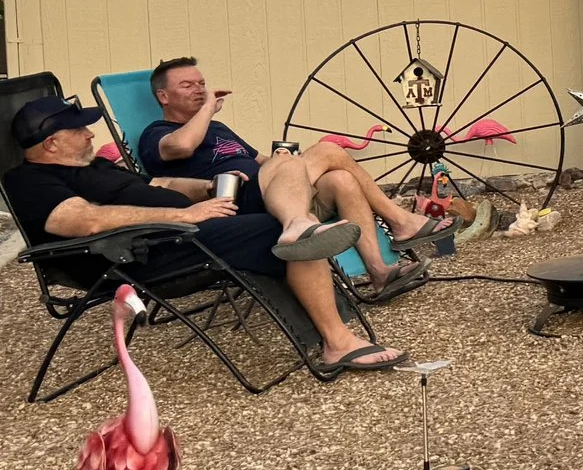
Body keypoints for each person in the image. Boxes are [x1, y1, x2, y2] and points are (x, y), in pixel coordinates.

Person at [6, 97, 403, 371]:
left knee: (287, 164)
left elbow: (157, 182)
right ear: (51, 143)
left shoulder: (92, 167)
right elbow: (81, 221)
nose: (91, 134)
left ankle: (298, 220)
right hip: (156, 247)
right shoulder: (30, 181)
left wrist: (207, 188)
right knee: (276, 229)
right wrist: (185, 215)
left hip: (198, 220)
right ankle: (337, 342)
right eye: (80, 130)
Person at [140, 57, 448, 290]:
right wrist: (209, 108)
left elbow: (260, 159)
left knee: (339, 179)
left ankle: (378, 271)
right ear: (163, 98)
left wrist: (286, 161)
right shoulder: (156, 133)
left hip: (276, 194)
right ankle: (400, 222)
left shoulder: (218, 129)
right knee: (325, 151)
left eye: (201, 83)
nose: (199, 90)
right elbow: (181, 146)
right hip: (235, 203)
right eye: (187, 85)